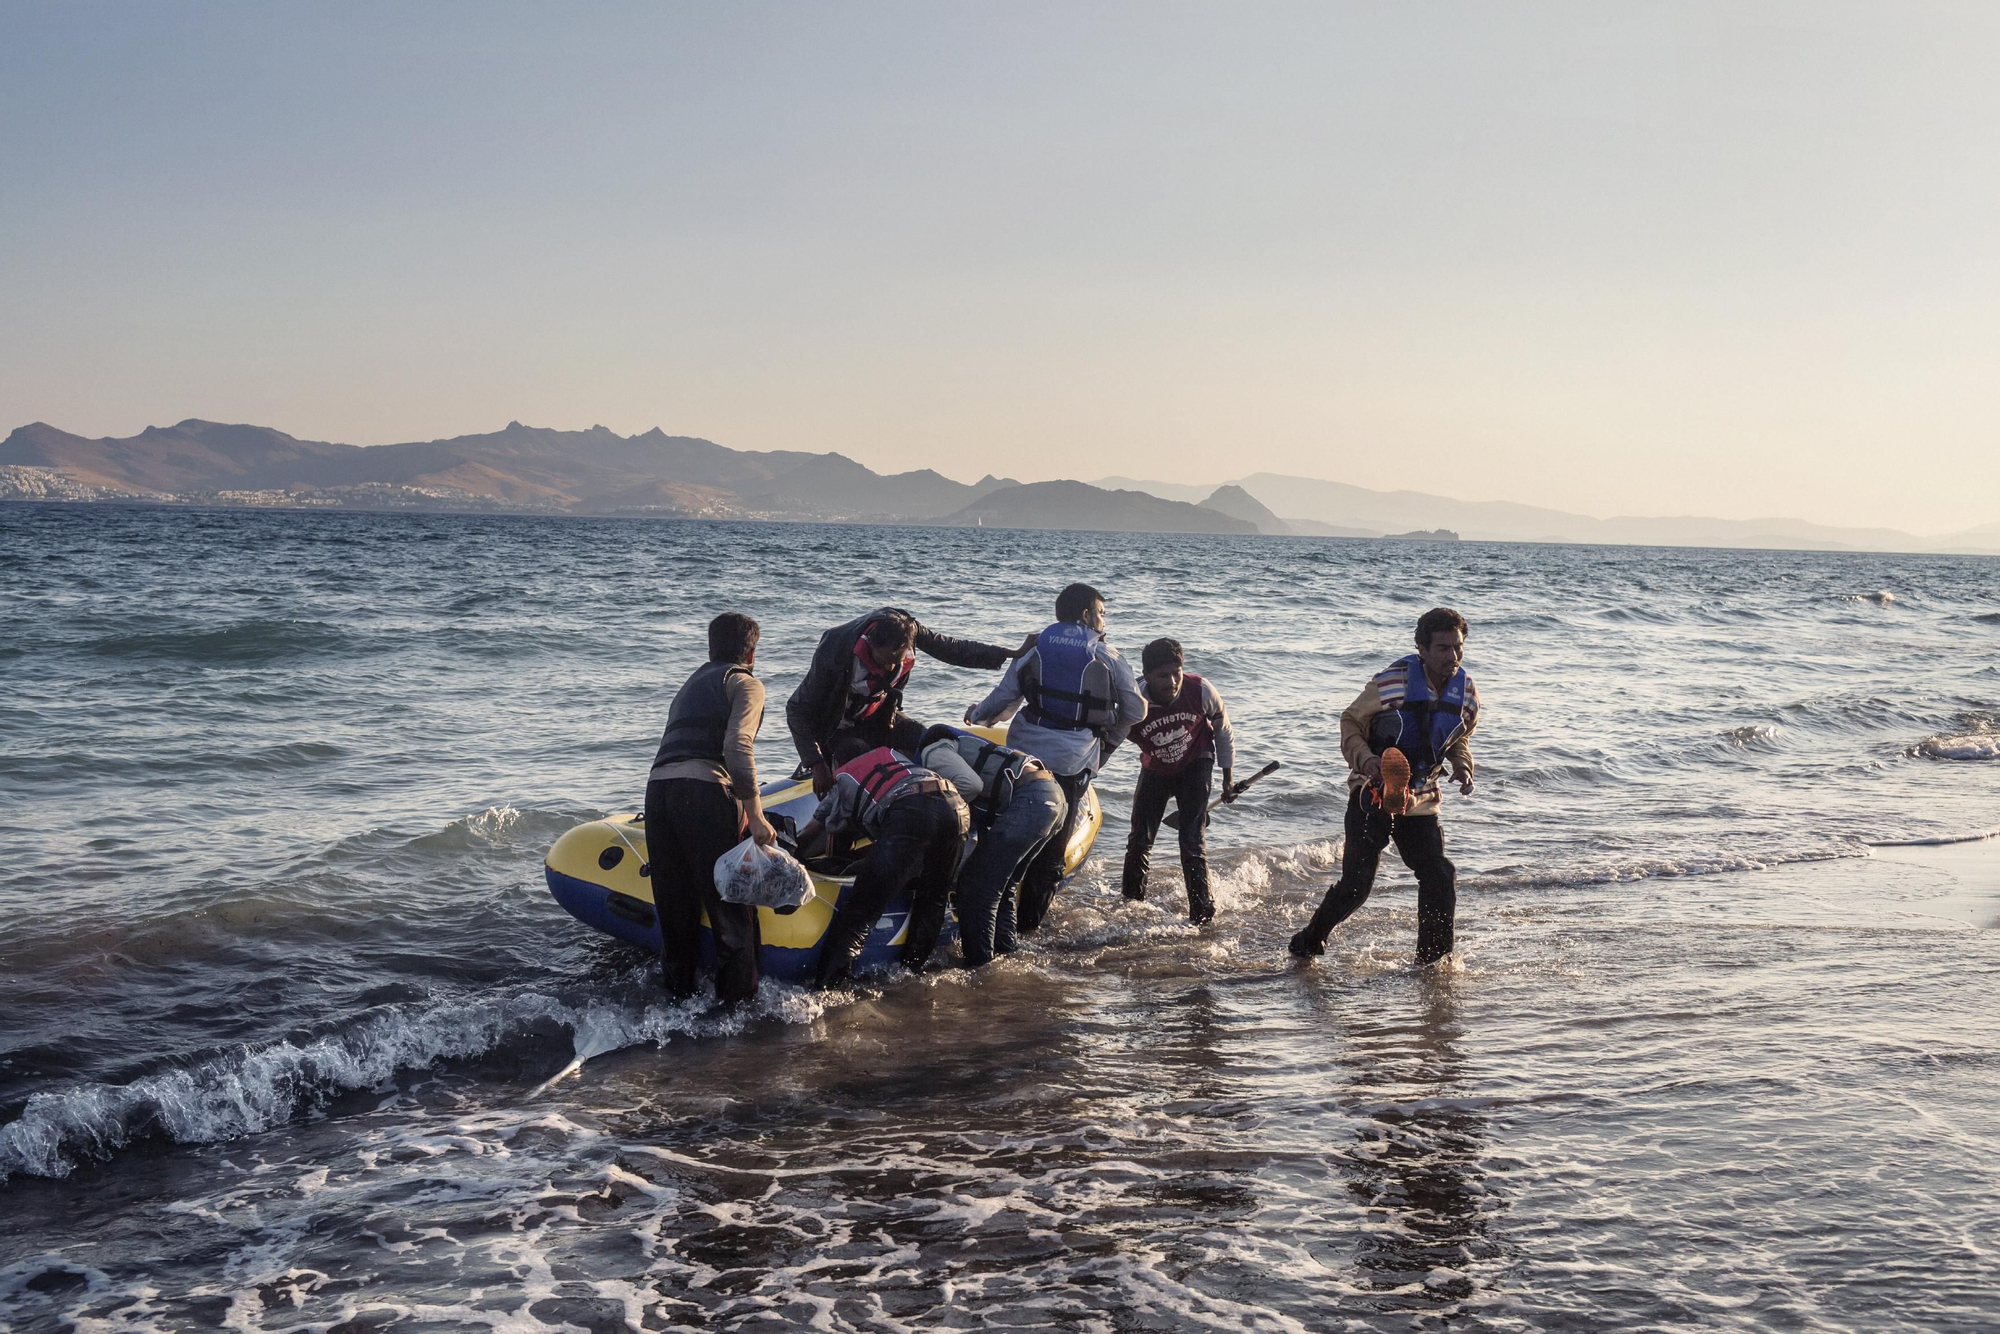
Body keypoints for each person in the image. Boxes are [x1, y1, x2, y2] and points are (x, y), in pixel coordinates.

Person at [1288, 607, 1480, 966]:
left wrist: (1463, 767)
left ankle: (1432, 963)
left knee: (1439, 874)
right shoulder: (1392, 682)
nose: (1452, 657)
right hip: (1372, 790)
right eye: (1442, 648)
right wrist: (1365, 760)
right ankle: (1307, 943)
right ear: (1422, 649)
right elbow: (1350, 722)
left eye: (1458, 647)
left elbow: (1457, 737)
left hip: (1420, 799)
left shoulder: (1466, 694)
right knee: (1357, 885)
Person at [966, 583, 1147, 933]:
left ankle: (987, 909)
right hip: (1070, 763)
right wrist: (1107, 741)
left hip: (1021, 757)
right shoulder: (1107, 655)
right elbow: (1136, 710)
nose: (1102, 620)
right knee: (1052, 855)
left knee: (1010, 834)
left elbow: (1004, 697)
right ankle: (1028, 932)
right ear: (1085, 615)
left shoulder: (1035, 649)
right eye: (1101, 613)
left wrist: (978, 715)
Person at [643, 611, 777, 1004]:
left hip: (658, 792)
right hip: (703, 793)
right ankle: (737, 1017)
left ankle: (677, 1001)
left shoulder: (689, 684)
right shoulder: (745, 683)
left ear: (710, 647)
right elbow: (738, 747)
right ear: (750, 653)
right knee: (732, 909)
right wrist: (755, 816)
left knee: (675, 909)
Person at [786, 607, 1033, 798]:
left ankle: (947, 800)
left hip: (880, 716)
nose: (891, 666)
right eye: (883, 660)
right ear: (870, 643)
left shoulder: (908, 629)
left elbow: (952, 648)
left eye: (898, 657)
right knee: (856, 751)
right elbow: (797, 709)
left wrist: (1010, 653)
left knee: (923, 737)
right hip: (837, 727)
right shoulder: (834, 651)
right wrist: (816, 763)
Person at [796, 735, 971, 988]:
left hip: (911, 812)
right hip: (956, 808)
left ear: (836, 763)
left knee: (860, 911)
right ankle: (912, 972)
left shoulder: (845, 776)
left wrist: (786, 852)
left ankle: (828, 988)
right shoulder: (894, 756)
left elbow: (814, 832)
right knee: (932, 898)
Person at [917, 724, 1067, 966]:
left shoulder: (934, 750)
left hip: (1030, 800)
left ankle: (981, 967)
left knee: (977, 888)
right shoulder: (966, 747)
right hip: (1053, 796)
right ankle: (1007, 956)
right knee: (1005, 887)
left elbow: (971, 785)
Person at [1121, 638, 1236, 924]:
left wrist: (1227, 778)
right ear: (1147, 676)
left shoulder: (1200, 690)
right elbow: (1107, 741)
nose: (1173, 682)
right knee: (1139, 839)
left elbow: (1223, 730)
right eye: (1163, 675)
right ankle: (1130, 907)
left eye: (1177, 672)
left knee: (1191, 840)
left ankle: (1202, 913)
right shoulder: (1132, 702)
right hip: (1156, 768)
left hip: (1196, 762)